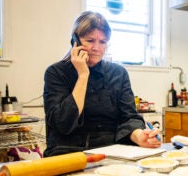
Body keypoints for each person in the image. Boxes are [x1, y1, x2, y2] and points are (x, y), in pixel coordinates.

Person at [43, 11, 161, 157]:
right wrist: (83, 75)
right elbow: (63, 123)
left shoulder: (118, 73)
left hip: (110, 150)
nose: (96, 48)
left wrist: (139, 136)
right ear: (75, 41)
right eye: (90, 41)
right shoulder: (56, 73)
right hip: (68, 152)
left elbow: (129, 117)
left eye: (102, 42)